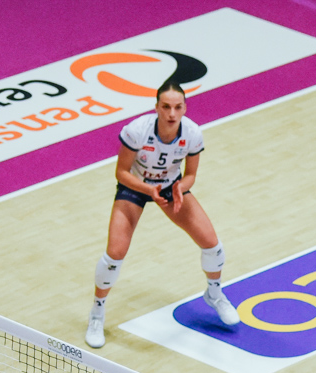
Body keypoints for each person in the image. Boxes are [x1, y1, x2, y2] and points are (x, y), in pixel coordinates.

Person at [85, 79, 238, 348]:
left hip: (170, 188)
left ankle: (214, 294)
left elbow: (190, 175)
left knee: (212, 245)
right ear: (156, 107)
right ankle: (97, 313)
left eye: (177, 107)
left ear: (185, 108)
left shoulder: (192, 133)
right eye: (166, 107)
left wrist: (179, 189)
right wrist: (148, 188)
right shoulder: (137, 131)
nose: (171, 114)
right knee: (115, 254)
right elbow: (121, 172)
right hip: (134, 187)